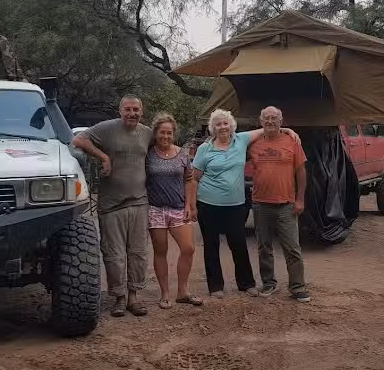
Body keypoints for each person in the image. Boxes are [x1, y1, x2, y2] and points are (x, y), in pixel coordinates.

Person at [189, 108, 300, 299]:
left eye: (225, 123)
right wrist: (191, 206)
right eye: (218, 124)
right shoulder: (204, 149)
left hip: (236, 205)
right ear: (212, 128)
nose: (223, 127)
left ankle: (246, 283)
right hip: (208, 204)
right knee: (211, 245)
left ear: (232, 125)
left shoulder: (241, 140)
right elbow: (194, 179)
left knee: (238, 243)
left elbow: (268, 127)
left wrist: (288, 130)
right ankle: (216, 286)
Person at [73, 96, 151, 318]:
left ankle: (134, 297)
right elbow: (79, 141)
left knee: (138, 253)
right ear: (120, 110)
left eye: (136, 109)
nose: (132, 113)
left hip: (139, 200)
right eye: (128, 109)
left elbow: (162, 147)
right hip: (111, 203)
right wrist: (103, 156)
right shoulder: (106, 129)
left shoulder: (146, 133)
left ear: (141, 111)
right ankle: (118, 297)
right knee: (114, 254)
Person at [248, 106, 311, 302]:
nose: (270, 121)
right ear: (260, 122)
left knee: (292, 247)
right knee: (263, 246)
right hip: (260, 204)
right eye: (266, 118)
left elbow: (301, 172)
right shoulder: (254, 144)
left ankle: (298, 286)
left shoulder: (292, 141)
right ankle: (269, 283)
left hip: (286, 204)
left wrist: (300, 198)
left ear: (281, 121)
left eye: (274, 118)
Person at [145, 113, 202, 309]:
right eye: (162, 132)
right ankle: (164, 294)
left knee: (188, 248)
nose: (166, 136)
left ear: (174, 134)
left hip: (178, 207)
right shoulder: (148, 154)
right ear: (156, 133)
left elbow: (189, 179)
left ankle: (183, 291)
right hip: (155, 209)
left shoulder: (182, 154)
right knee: (161, 251)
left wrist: (189, 205)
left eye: (169, 133)